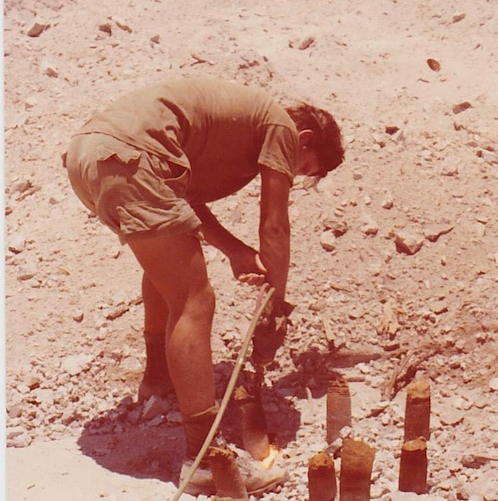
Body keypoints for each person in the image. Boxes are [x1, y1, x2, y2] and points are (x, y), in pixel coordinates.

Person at [64, 77, 345, 496]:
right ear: (304, 140)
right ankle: (204, 459)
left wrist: (233, 251)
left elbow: (183, 201)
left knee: (167, 274)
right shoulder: (282, 128)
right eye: (303, 168)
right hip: (132, 157)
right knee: (195, 300)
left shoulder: (235, 126)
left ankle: (158, 385)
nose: (292, 172)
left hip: (90, 155)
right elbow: (274, 226)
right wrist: (274, 308)